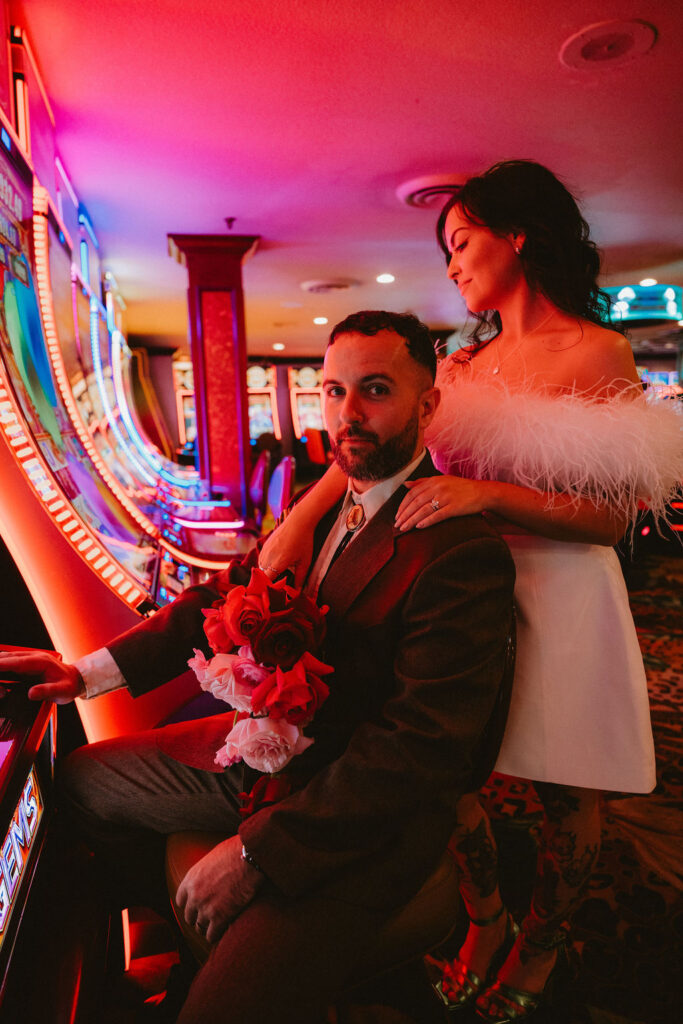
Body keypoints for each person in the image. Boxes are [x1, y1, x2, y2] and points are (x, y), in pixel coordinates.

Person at [0, 310, 516, 1024]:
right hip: (270, 759)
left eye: (375, 390)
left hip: (363, 814)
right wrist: (82, 675)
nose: (348, 413)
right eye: (334, 391)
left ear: (426, 406)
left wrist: (254, 855)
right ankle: (180, 937)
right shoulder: (324, 507)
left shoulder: (459, 551)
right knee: (82, 782)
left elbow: (418, 753)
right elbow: (223, 595)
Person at [257, 163, 683, 1022]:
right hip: (460, 589)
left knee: (565, 790)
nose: (450, 265)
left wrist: (483, 494)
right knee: (453, 773)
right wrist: (301, 517)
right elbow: (380, 451)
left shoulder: (595, 350)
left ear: (516, 235)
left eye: (459, 242)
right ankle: (485, 919)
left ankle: (541, 945)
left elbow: (609, 521)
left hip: (562, 590)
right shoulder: (462, 360)